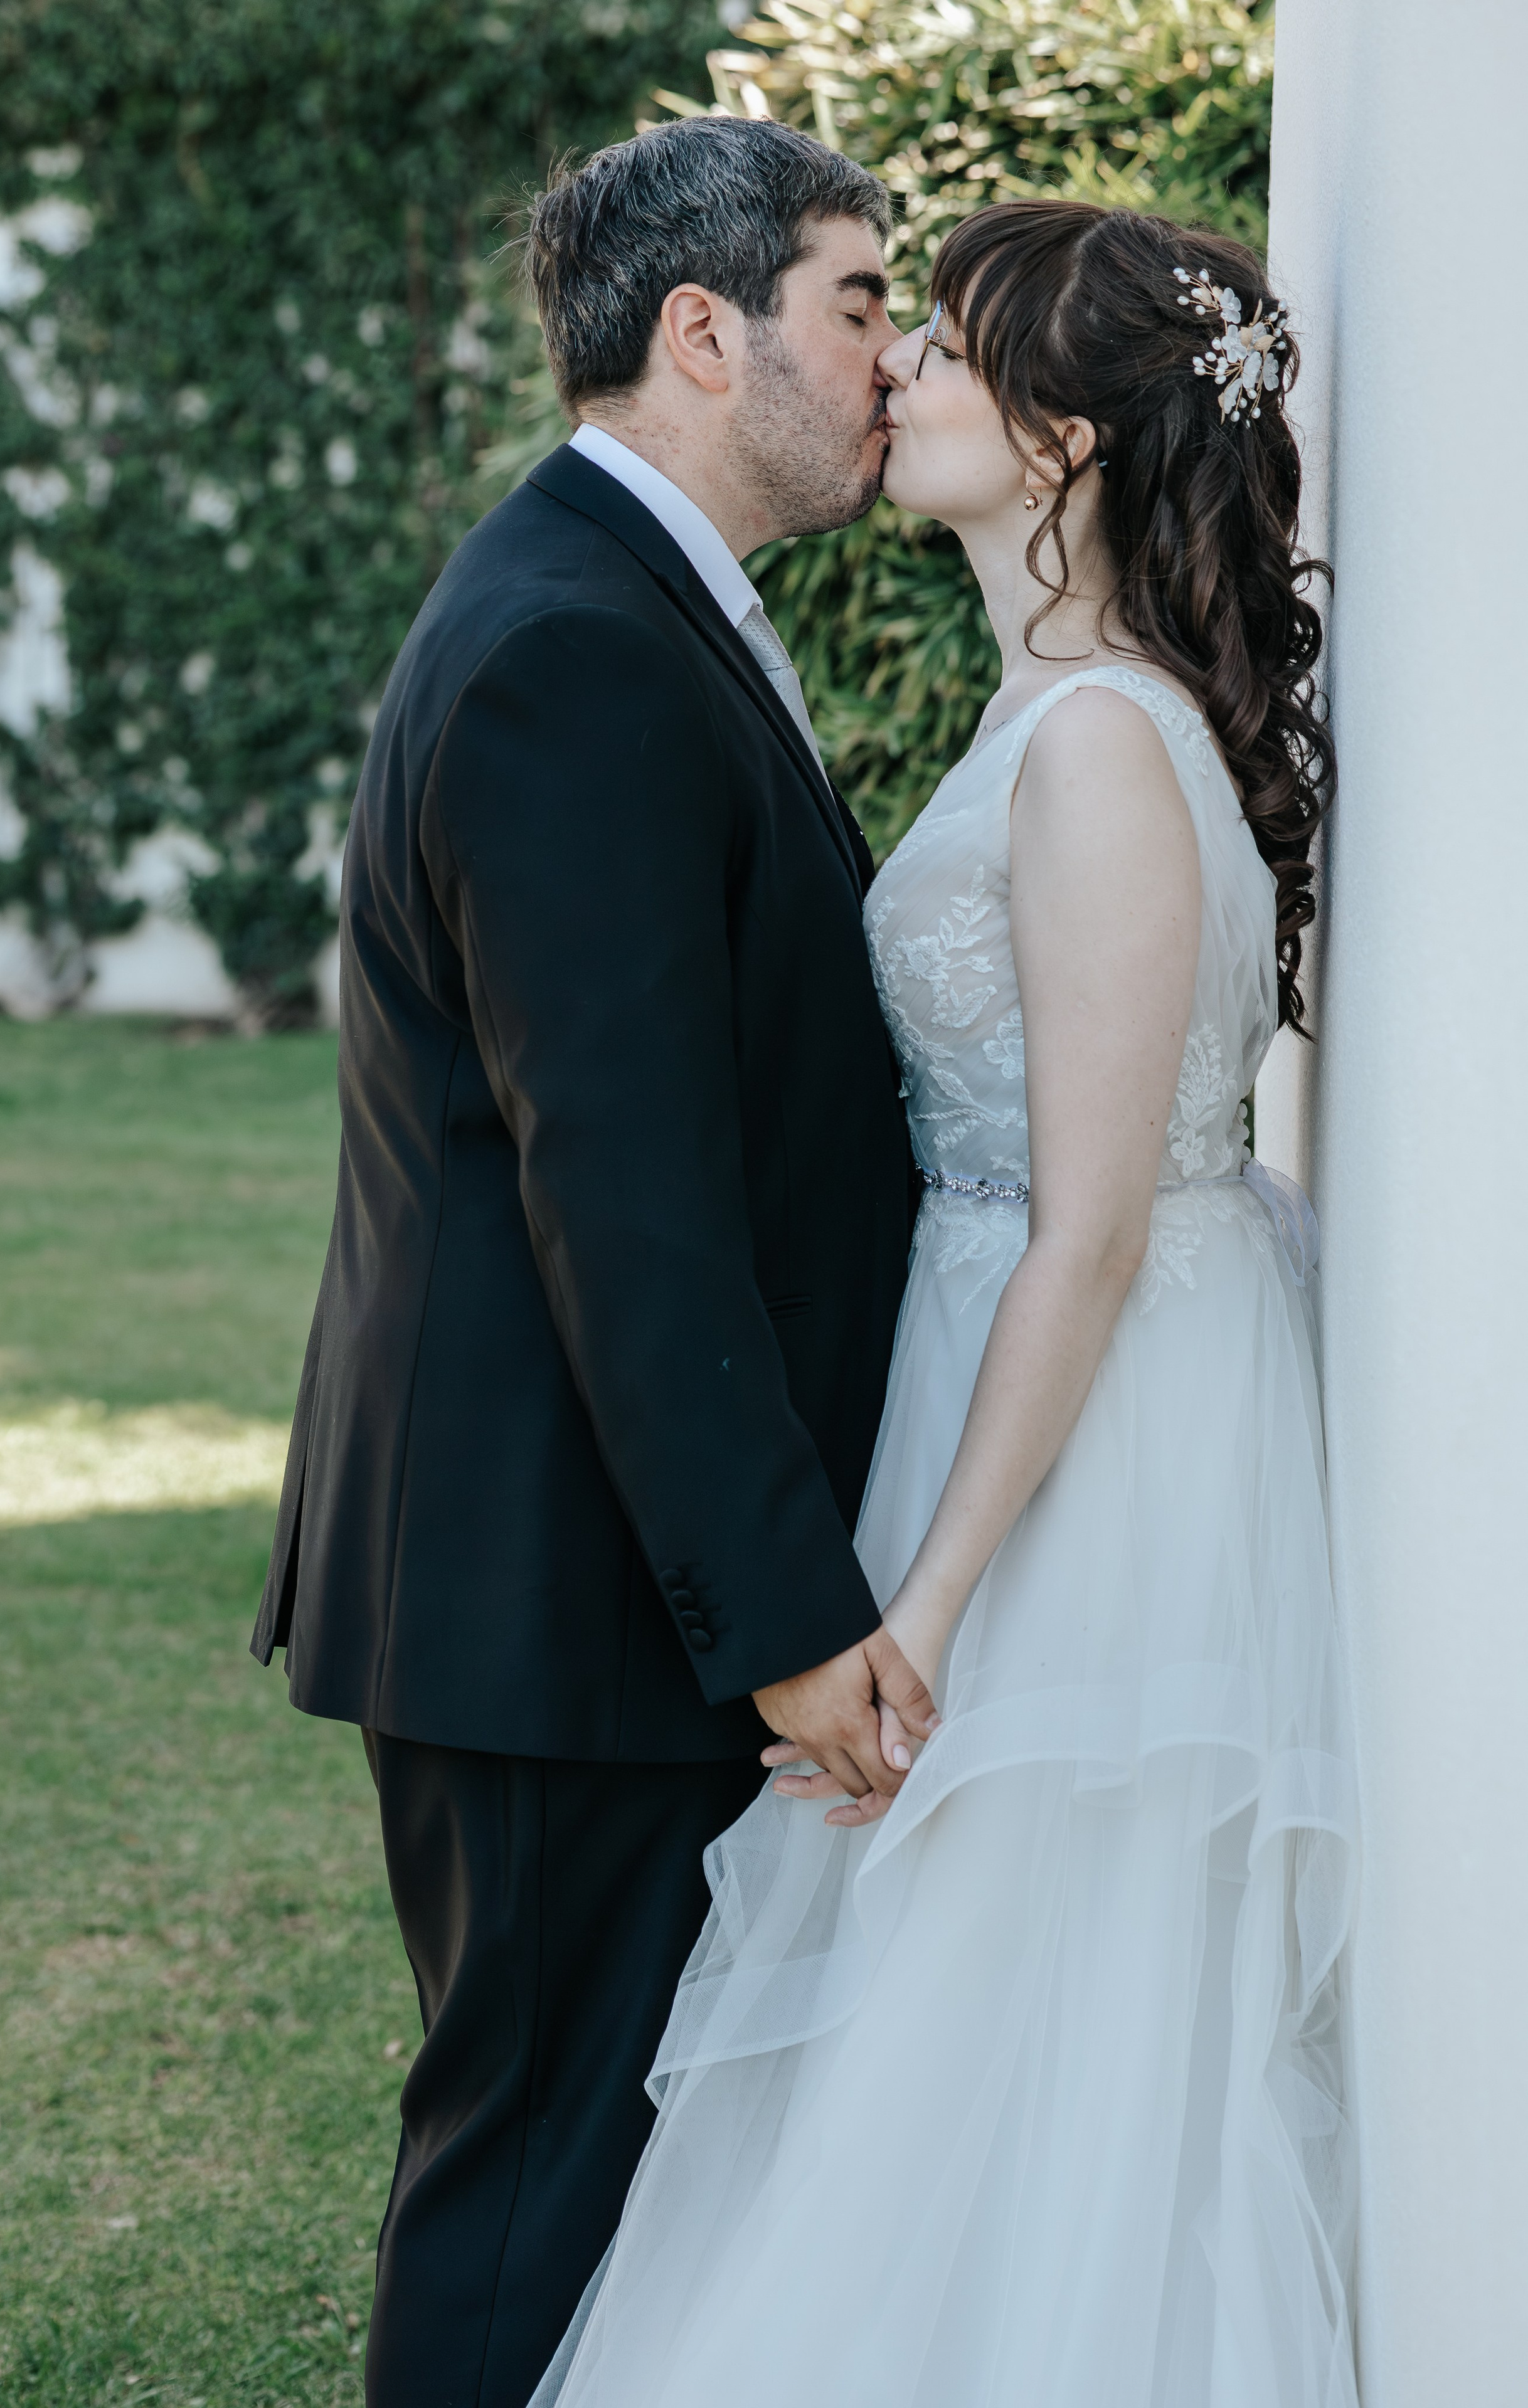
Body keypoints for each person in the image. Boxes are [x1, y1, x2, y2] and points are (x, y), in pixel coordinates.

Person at [530, 200, 1360, 2408]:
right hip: (1022, 1380)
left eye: (951, 349)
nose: (895, 373)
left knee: (1032, 2024)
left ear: (1071, 436)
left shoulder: (1101, 749)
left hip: (1078, 1456)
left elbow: (1089, 1226)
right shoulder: (1067, 709)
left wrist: (935, 1608)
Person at [249, 116, 942, 2408]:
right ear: (703, 328)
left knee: (606, 2173)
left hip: (570, 1575)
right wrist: (790, 1626)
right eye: (858, 301)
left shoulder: (618, 602)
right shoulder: (574, 650)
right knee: (540, 2175)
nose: (890, 354)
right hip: (562, 1602)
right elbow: (620, 1196)